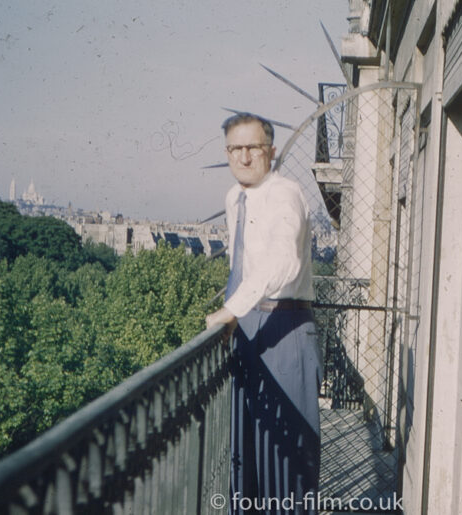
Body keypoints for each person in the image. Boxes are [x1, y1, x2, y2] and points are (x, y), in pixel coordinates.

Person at [205, 113, 322, 515]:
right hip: (247, 329)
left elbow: (283, 263)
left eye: (253, 147)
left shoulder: (285, 194)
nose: (244, 156)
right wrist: (238, 314)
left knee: (287, 457)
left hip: (285, 326)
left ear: (270, 151)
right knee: (247, 450)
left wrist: (230, 309)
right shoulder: (233, 199)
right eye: (235, 148)